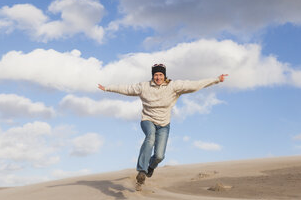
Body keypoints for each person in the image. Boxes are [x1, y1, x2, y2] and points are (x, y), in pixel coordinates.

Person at [98, 64, 228, 190]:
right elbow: (126, 89)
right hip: (147, 120)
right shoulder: (144, 87)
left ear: (164, 76)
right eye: (156, 75)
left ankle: (151, 167)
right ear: (152, 76)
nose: (158, 77)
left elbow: (194, 85)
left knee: (160, 156)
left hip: (164, 124)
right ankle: (142, 171)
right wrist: (107, 88)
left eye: (160, 75)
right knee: (150, 138)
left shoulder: (173, 86)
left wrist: (216, 80)